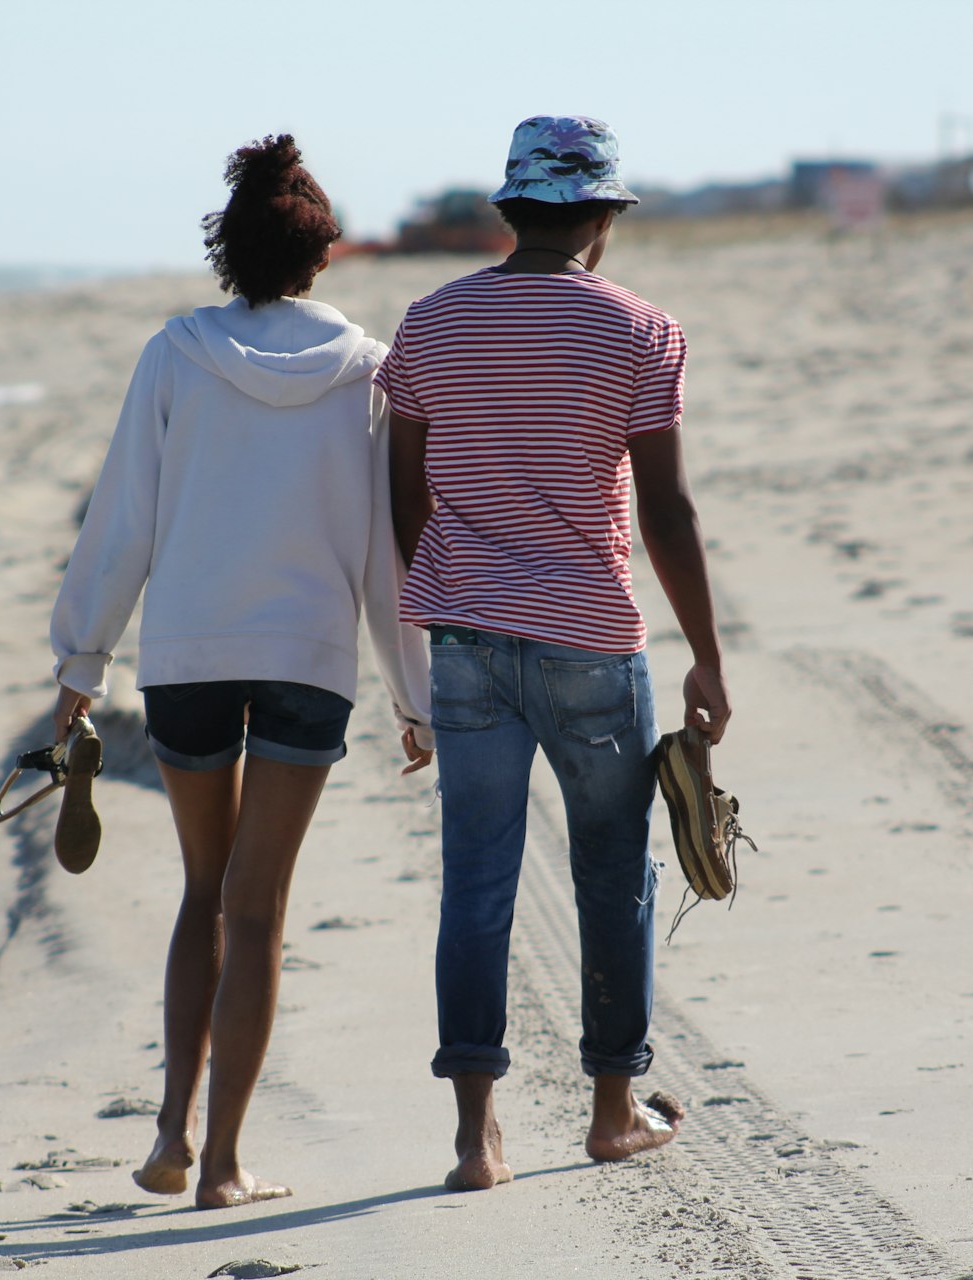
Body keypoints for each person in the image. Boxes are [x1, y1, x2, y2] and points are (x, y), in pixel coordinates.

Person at [47, 134, 432, 1208]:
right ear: (318, 256)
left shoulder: (176, 352)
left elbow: (121, 520)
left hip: (189, 655)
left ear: (232, 251)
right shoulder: (364, 369)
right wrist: (417, 692)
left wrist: (83, 659)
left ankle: (170, 1130)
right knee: (260, 906)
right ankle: (222, 1165)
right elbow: (380, 549)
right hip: (308, 656)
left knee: (203, 892)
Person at [379, 115, 731, 1191]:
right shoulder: (639, 330)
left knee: (475, 881)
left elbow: (405, 486)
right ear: (602, 217)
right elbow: (665, 509)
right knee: (613, 876)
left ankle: (474, 1135)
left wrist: (437, 594)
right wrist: (707, 656)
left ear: (512, 212)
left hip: (469, 643)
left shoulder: (429, 324)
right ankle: (613, 1110)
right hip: (589, 638)